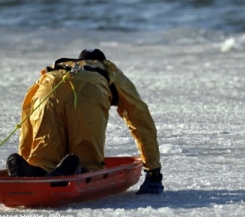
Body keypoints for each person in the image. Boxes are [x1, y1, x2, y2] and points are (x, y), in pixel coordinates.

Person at [6, 49, 164, 194]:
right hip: (87, 92)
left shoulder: (56, 68)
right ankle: (80, 169)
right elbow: (140, 118)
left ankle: (36, 170)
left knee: (43, 159)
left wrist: (26, 156)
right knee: (88, 161)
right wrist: (153, 170)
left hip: (46, 91)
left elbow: (28, 116)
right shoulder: (108, 70)